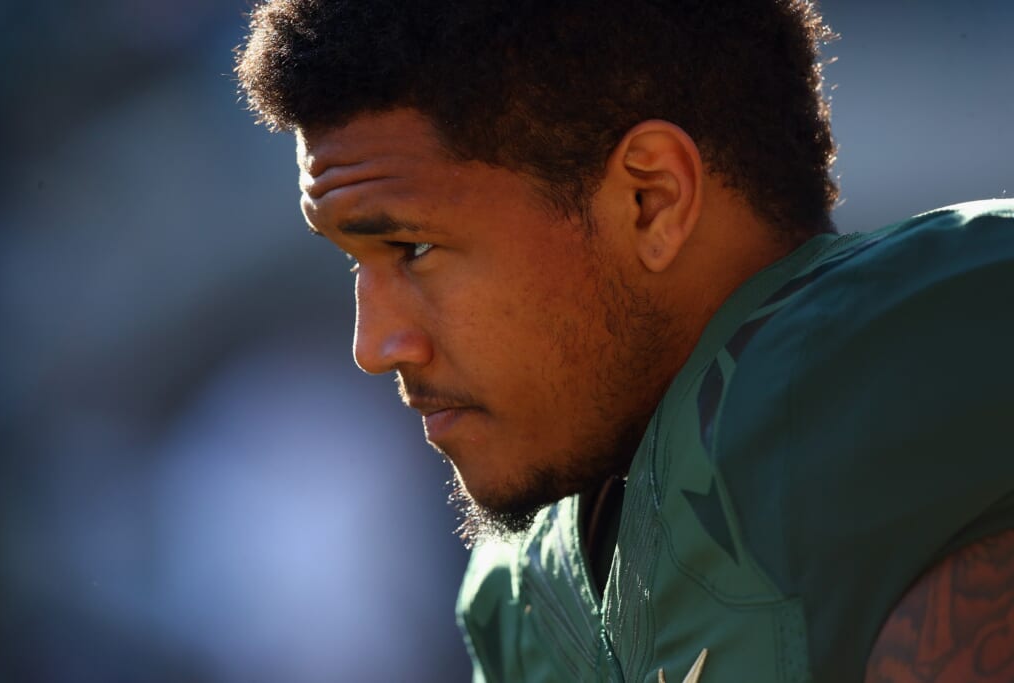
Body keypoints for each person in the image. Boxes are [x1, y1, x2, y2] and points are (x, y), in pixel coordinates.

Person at [234, 1, 1014, 680]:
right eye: (356, 261)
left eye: (413, 247)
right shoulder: (520, 590)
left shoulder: (897, 377)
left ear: (651, 198)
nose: (374, 345)